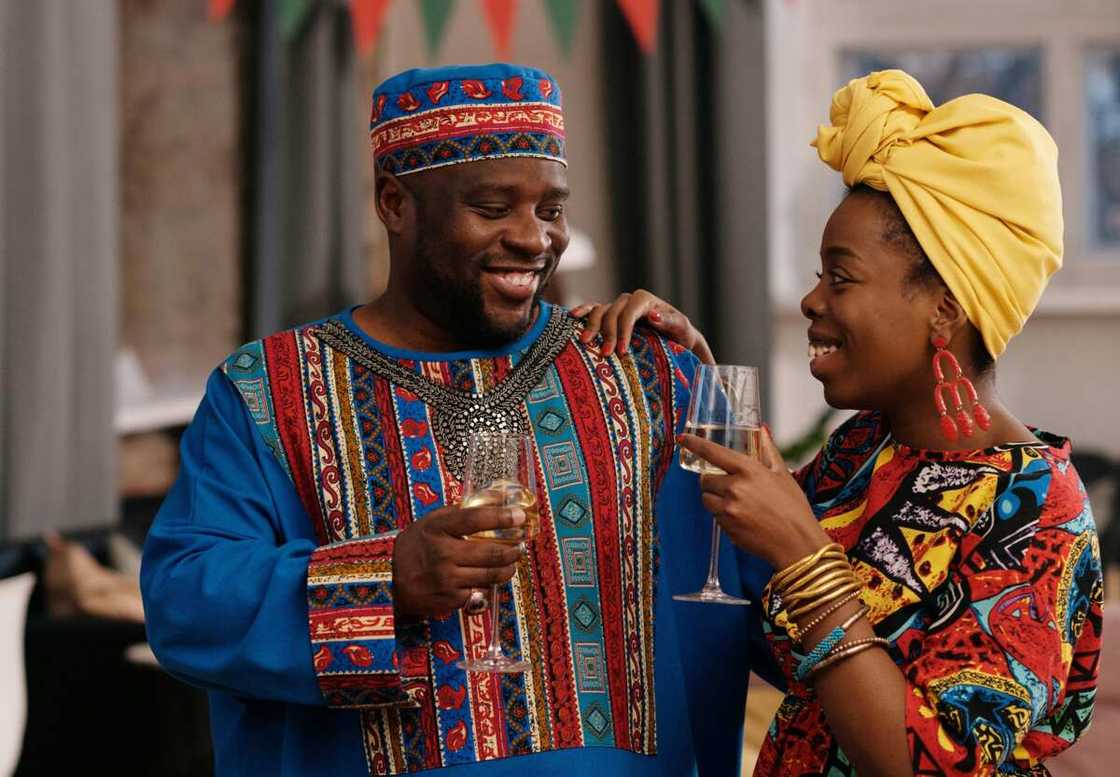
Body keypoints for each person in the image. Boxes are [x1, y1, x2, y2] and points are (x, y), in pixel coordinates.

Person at [140, 63, 772, 776]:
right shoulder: (267, 391)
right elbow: (185, 604)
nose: (535, 240)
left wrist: (710, 385)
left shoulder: (647, 373)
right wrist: (386, 578)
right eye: (494, 207)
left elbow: (774, 590)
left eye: (552, 209)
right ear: (394, 203)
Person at [579, 70, 1103, 776]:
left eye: (841, 276)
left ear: (944, 308)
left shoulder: (1039, 509)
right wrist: (694, 376)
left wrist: (803, 554)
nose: (810, 299)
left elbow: (933, 764)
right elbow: (756, 592)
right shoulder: (866, 447)